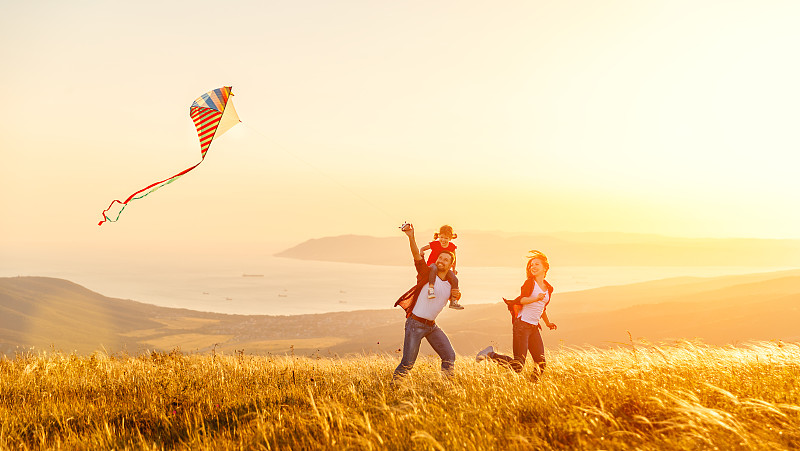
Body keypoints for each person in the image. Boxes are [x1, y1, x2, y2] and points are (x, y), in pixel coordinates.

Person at [393, 222, 461, 380]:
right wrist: (411, 237)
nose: (441, 261)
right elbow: (417, 255)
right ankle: (393, 389)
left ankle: (446, 386)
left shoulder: (451, 282)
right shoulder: (426, 274)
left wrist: (457, 295)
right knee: (408, 363)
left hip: (431, 326)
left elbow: (453, 297)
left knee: (449, 355)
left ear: (451, 265)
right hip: (415, 324)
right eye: (440, 258)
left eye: (446, 260)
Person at [476, 250, 557, 378]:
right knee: (518, 365)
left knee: (540, 364)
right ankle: (490, 354)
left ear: (545, 267)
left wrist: (547, 323)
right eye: (531, 265)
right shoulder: (530, 283)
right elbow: (521, 300)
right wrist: (535, 298)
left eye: (536, 264)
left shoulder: (549, 288)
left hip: (534, 328)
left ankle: (532, 390)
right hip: (522, 326)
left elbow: (542, 307)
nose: (533, 267)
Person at [420, 225, 463, 310]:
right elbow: (423, 248)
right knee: (434, 269)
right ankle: (431, 289)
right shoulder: (435, 244)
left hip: (444, 268)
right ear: (439, 236)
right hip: (432, 264)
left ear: (450, 238)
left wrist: (454, 269)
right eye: (441, 237)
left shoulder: (451, 246)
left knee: (454, 279)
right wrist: (421, 252)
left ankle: (453, 301)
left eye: (446, 238)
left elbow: (454, 259)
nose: (443, 240)